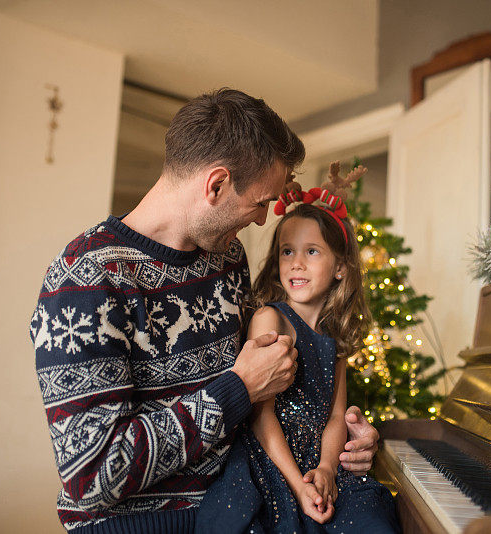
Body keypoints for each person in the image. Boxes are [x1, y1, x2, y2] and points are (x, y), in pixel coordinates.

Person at [29, 88, 379, 533]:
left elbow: (271, 388)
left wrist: (346, 443)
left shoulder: (227, 258)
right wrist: (236, 389)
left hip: (242, 506)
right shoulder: (85, 282)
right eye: (260, 203)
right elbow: (93, 475)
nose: (260, 221)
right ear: (216, 184)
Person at [196, 193, 399, 532]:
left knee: (370, 516)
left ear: (340, 268)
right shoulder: (270, 319)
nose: (296, 263)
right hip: (270, 463)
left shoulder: (336, 340)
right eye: (287, 251)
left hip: (319, 461)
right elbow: (261, 415)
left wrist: (326, 470)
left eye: (312, 251)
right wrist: (298, 484)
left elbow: (336, 417)